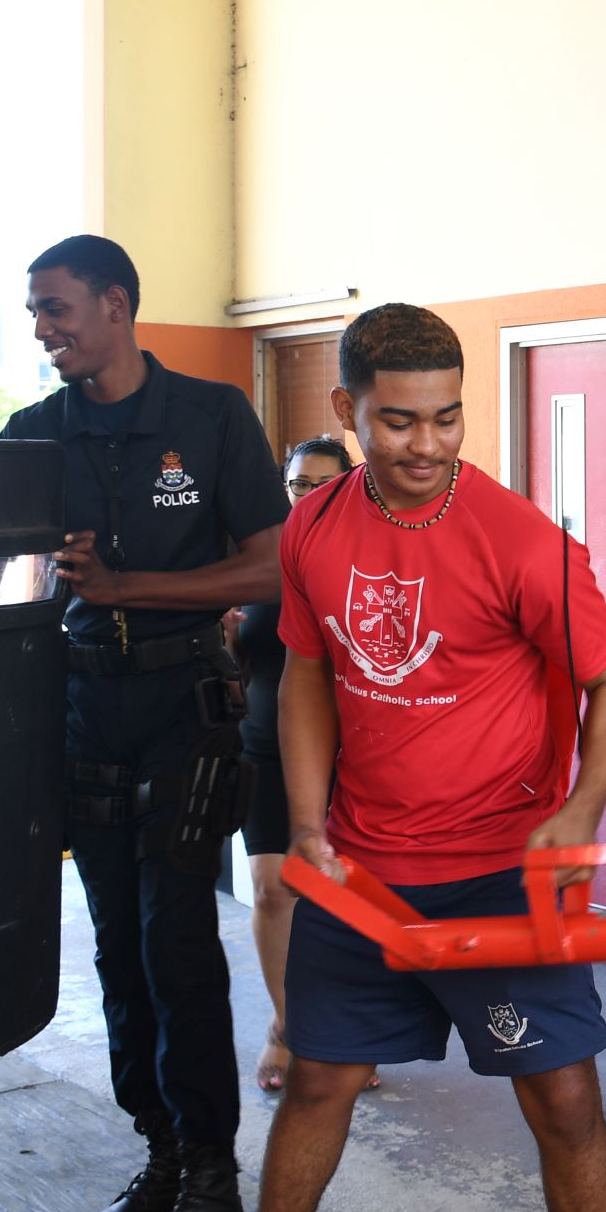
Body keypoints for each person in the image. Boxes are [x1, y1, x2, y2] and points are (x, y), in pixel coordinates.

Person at [153, 304, 606, 1212]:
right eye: (398, 422)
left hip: (496, 870)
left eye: (446, 418)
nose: (427, 446)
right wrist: (305, 822)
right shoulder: (313, 531)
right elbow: (306, 673)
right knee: (318, 1079)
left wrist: (580, 809)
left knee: (564, 1101)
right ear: (348, 412)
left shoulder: (521, 538)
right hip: (366, 869)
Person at [1, 234, 288, 1212]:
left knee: (177, 948)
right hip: (80, 710)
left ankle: (213, 1194)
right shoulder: (33, 436)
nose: (43, 329)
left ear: (117, 304)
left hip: (185, 708)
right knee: (116, 947)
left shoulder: (212, 418)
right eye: (35, 312)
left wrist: (125, 587)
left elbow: (270, 563)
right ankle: (162, 1159)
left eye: (56, 308)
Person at [224, 434, 366, 1094]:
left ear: (348, 484)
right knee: (274, 886)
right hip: (262, 743)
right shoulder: (260, 560)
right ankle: (286, 1026)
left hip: (350, 751)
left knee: (338, 895)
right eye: (297, 485)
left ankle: (346, 1034)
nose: (307, 495)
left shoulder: (366, 556)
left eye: (320, 483)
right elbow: (240, 656)